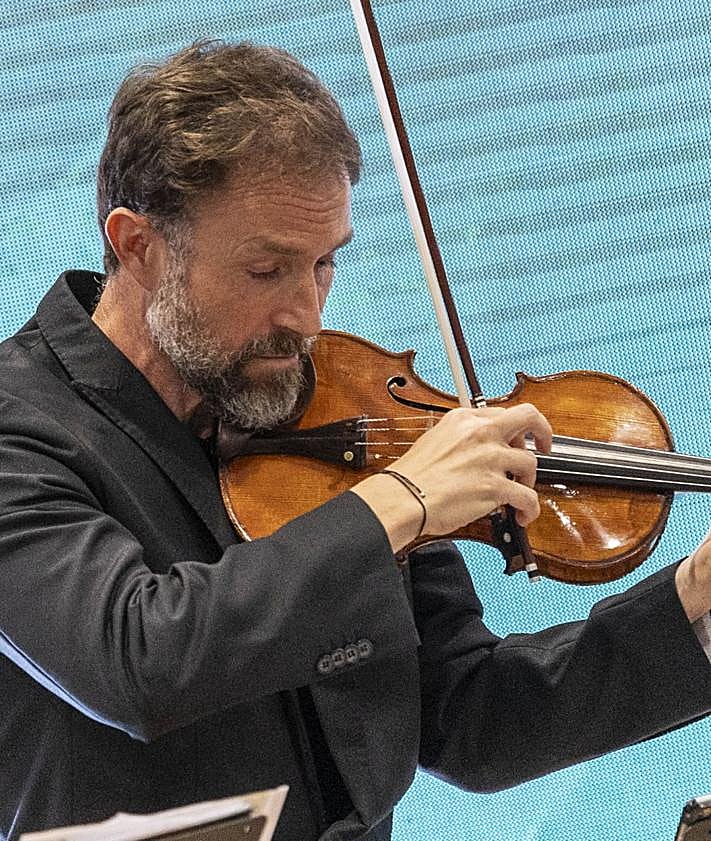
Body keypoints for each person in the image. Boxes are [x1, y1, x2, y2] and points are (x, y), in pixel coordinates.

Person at [1, 39, 711, 841]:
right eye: (267, 270)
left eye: (324, 264)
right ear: (139, 246)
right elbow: (138, 660)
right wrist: (401, 501)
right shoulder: (20, 429)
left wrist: (694, 606)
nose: (305, 316)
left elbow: (469, 720)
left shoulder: (328, 410)